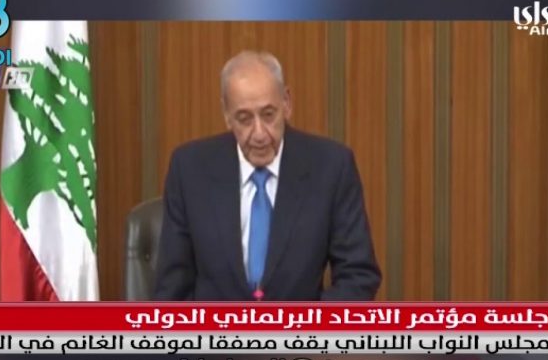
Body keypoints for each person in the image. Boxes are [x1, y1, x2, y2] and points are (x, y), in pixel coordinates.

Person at [153, 50, 381, 301]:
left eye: (268, 115)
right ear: (226, 114)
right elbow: (172, 288)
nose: (260, 134)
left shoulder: (331, 167)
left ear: (287, 103)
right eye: (244, 119)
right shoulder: (190, 169)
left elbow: (358, 276)